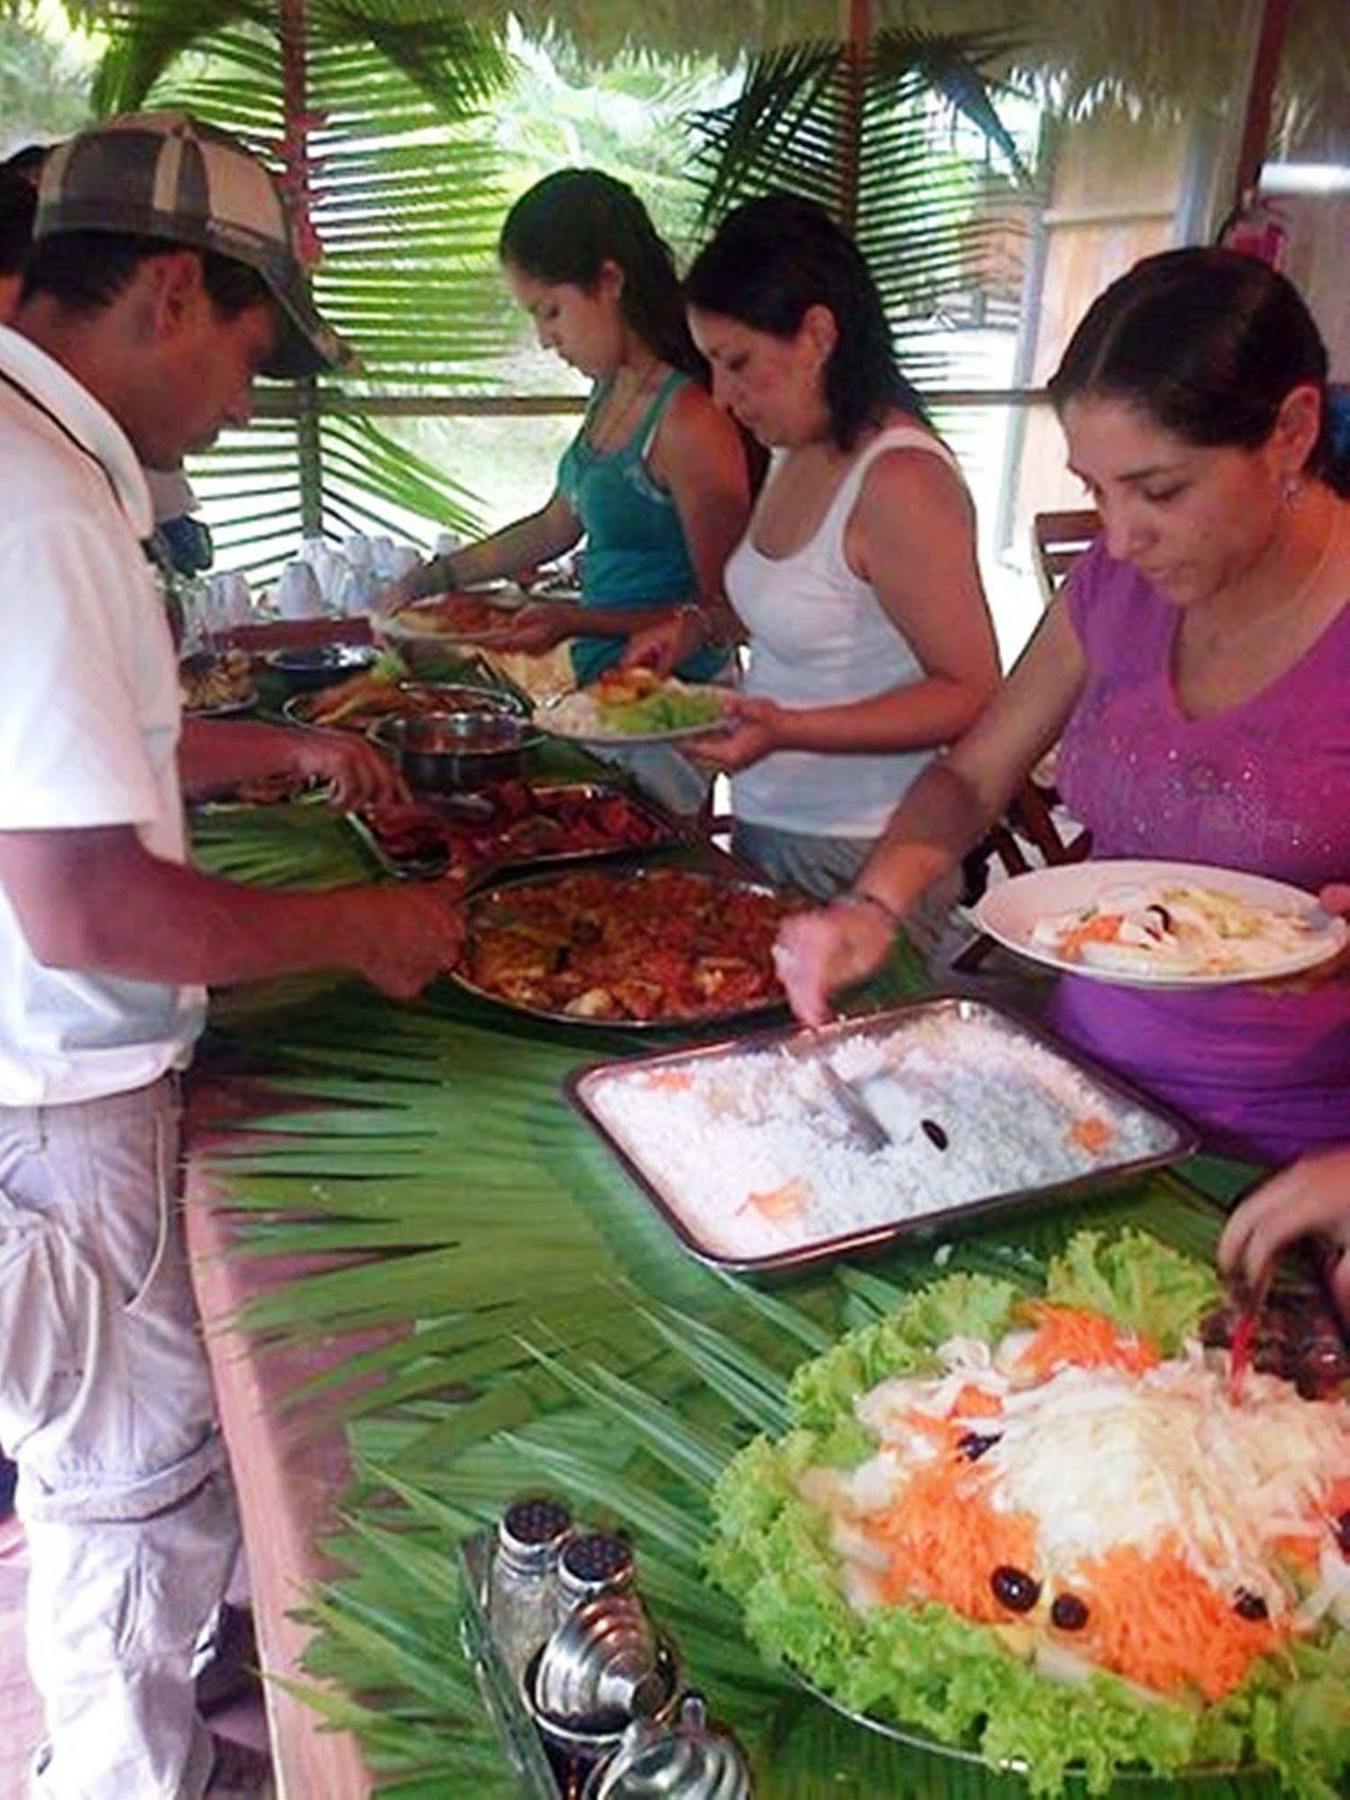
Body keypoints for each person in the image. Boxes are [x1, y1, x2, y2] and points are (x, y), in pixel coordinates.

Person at [0, 112, 465, 1800]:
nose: (250, 396)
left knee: (118, 1485)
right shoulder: (44, 504)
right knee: (120, 1501)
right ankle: (130, 1777)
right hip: (57, 1098)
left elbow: (72, 755)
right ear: (177, 293)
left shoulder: (32, 465)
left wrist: (260, 756)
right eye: (258, 351)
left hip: (39, 1074)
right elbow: (86, 905)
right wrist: (360, 930)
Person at [776, 247, 1350, 1165]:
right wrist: (872, 905)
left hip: (1299, 1160)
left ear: (1290, 430)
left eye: (1160, 490)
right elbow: (970, 778)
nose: (1118, 537)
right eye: (1095, 490)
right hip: (1083, 1102)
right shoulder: (1114, 588)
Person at [626, 193, 999, 909]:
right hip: (775, 826)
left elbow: (971, 693)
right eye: (711, 365)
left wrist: (791, 729)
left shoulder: (901, 479)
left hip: (867, 851)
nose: (723, 396)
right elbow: (786, 608)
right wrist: (695, 627)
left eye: (738, 362)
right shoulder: (797, 446)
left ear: (818, 335)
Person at [382, 168, 752, 686]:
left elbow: (723, 611)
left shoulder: (688, 419)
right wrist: (434, 578)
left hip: (675, 703)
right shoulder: (610, 392)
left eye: (551, 311)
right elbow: (556, 524)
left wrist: (573, 619)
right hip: (604, 689)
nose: (544, 339)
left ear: (609, 282)